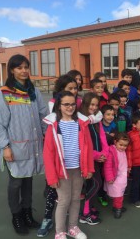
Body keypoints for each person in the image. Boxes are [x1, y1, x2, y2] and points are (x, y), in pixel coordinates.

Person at [0, 54, 47, 235]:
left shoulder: (34, 91)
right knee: (16, 182)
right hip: (15, 146)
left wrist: (48, 137)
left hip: (33, 146)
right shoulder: (4, 93)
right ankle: (16, 215)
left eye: (26, 67)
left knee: (28, 180)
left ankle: (27, 212)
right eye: (19, 68)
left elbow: (43, 116)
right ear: (12, 70)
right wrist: (5, 146)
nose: (24, 71)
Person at [43, 91, 94, 239]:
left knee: (76, 198)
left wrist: (89, 168)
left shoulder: (81, 124)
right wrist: (51, 177)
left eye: (72, 104)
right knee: (64, 200)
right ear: (59, 105)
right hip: (61, 171)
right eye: (66, 104)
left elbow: (88, 147)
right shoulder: (53, 126)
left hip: (78, 169)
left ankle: (73, 227)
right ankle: (60, 231)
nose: (70, 107)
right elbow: (48, 153)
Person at [79, 93, 109, 225]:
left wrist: (104, 153)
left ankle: (89, 207)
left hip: (98, 158)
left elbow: (102, 138)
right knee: (96, 184)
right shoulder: (81, 122)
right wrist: (97, 155)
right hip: (89, 159)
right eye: (92, 104)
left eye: (96, 105)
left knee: (94, 184)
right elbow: (83, 145)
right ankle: (85, 214)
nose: (94, 107)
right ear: (85, 104)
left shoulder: (97, 120)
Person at [103, 132, 130, 219]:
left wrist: (128, 168)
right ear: (115, 142)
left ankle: (116, 207)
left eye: (125, 145)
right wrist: (109, 177)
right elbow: (108, 166)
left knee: (119, 194)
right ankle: (118, 209)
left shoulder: (122, 151)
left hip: (122, 176)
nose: (123, 147)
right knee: (118, 195)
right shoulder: (112, 152)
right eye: (121, 144)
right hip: (115, 177)